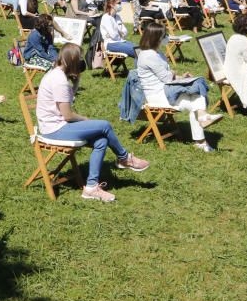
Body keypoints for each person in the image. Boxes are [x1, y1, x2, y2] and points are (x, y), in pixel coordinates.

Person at [36, 43, 149, 201]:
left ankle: (90, 187)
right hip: (54, 129)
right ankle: (124, 158)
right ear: (73, 61)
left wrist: (76, 82)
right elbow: (68, 115)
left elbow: (67, 100)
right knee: (104, 125)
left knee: (101, 140)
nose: (82, 63)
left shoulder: (58, 75)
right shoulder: (59, 80)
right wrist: (84, 119)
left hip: (58, 125)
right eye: (80, 60)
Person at [136, 21, 222, 152]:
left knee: (196, 94)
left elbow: (167, 77)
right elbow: (166, 77)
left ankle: (202, 127)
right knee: (196, 98)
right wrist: (175, 75)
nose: (167, 38)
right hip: (157, 95)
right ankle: (202, 131)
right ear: (156, 38)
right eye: (164, 35)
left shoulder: (157, 53)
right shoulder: (148, 56)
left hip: (166, 89)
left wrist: (181, 76)